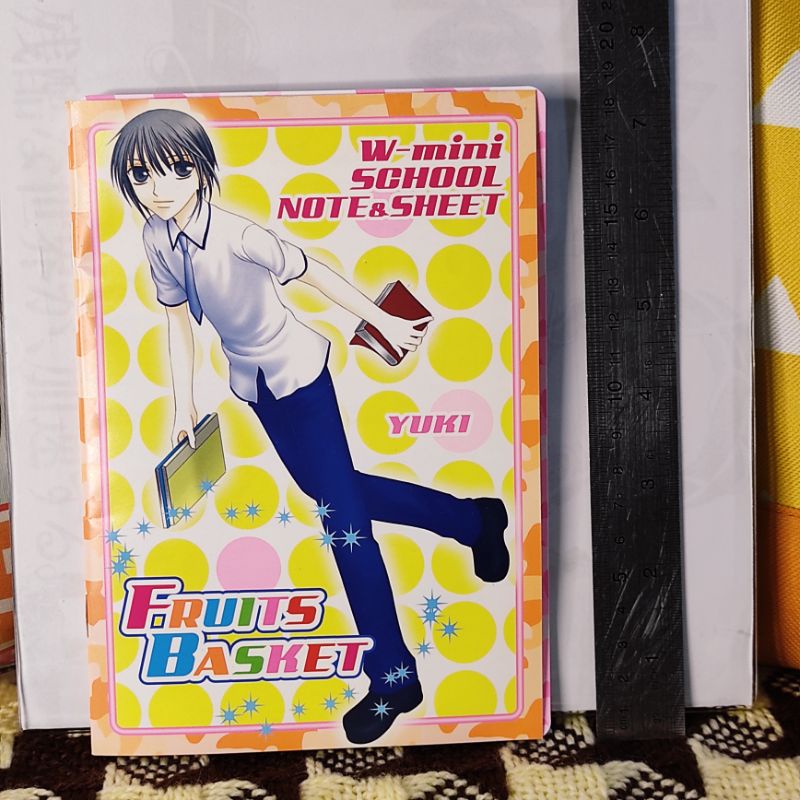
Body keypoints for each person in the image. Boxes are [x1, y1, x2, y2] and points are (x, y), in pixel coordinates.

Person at [110, 108, 510, 744]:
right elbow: (176, 319)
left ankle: (394, 677)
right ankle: (474, 521)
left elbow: (310, 270)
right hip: (254, 387)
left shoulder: (240, 234)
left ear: (201, 170)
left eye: (176, 170)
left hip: (300, 376)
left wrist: (380, 320)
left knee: (345, 526)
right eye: (141, 175)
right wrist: (182, 403)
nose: (159, 187)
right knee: (335, 494)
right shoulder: (156, 237)